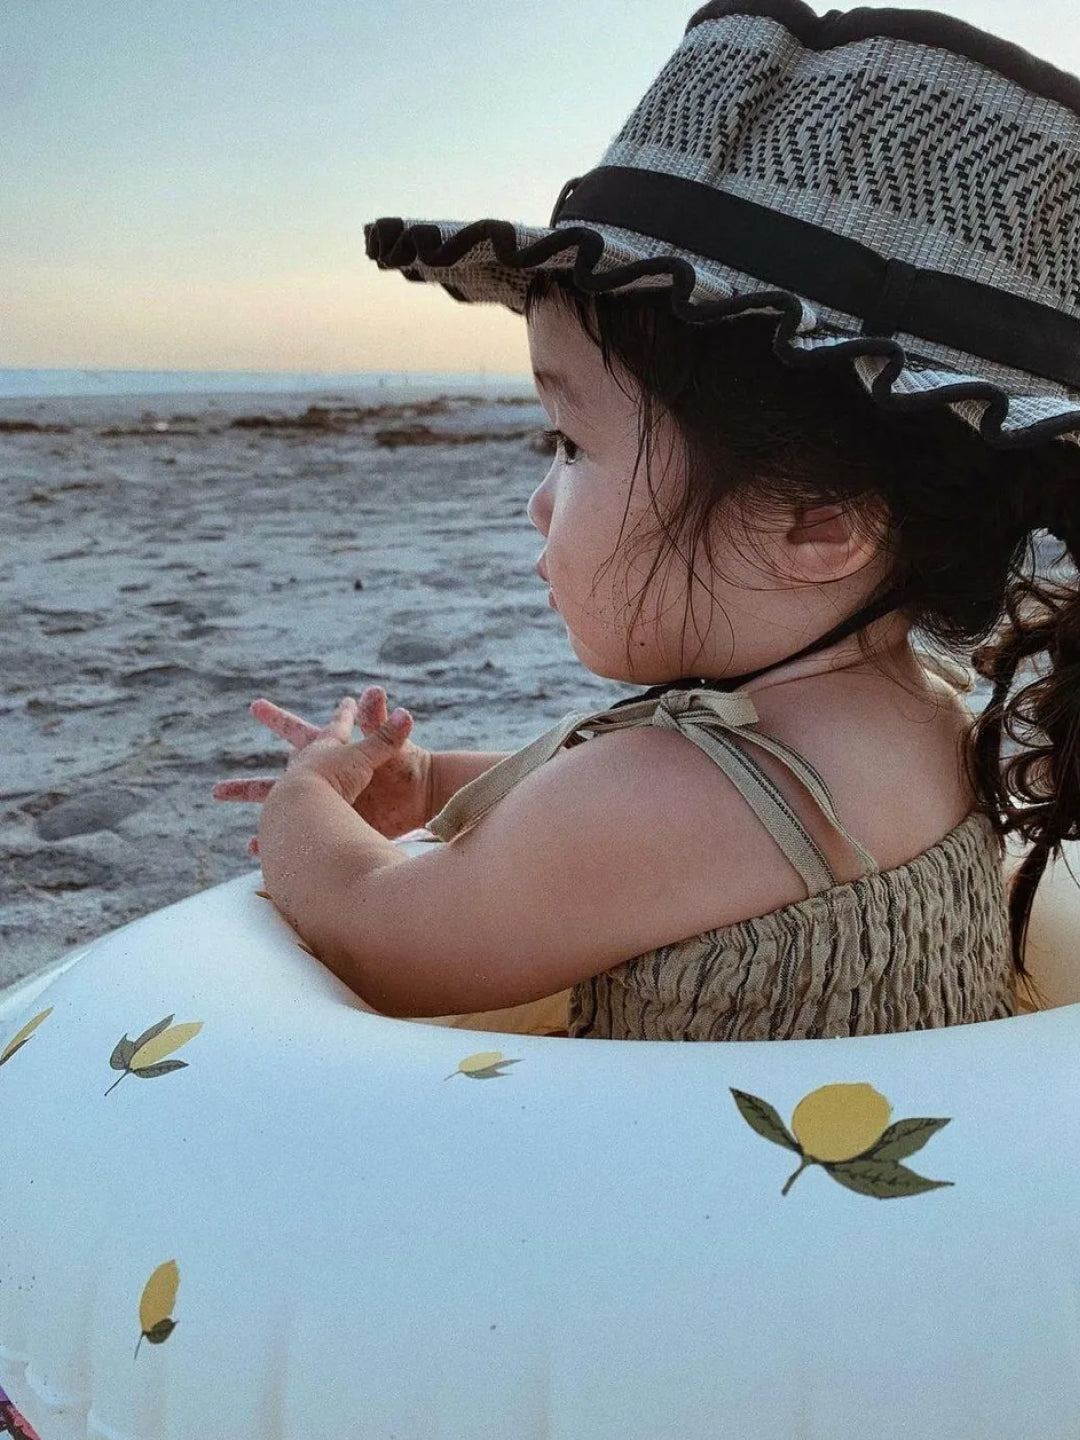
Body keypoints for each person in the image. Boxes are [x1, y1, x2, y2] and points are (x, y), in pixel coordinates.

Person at [214, 0, 1080, 1038]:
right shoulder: (923, 708)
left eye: (572, 444)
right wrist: (430, 780)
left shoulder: (692, 794)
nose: (539, 500)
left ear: (818, 521)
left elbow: (382, 937)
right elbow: (611, 815)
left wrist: (303, 804)